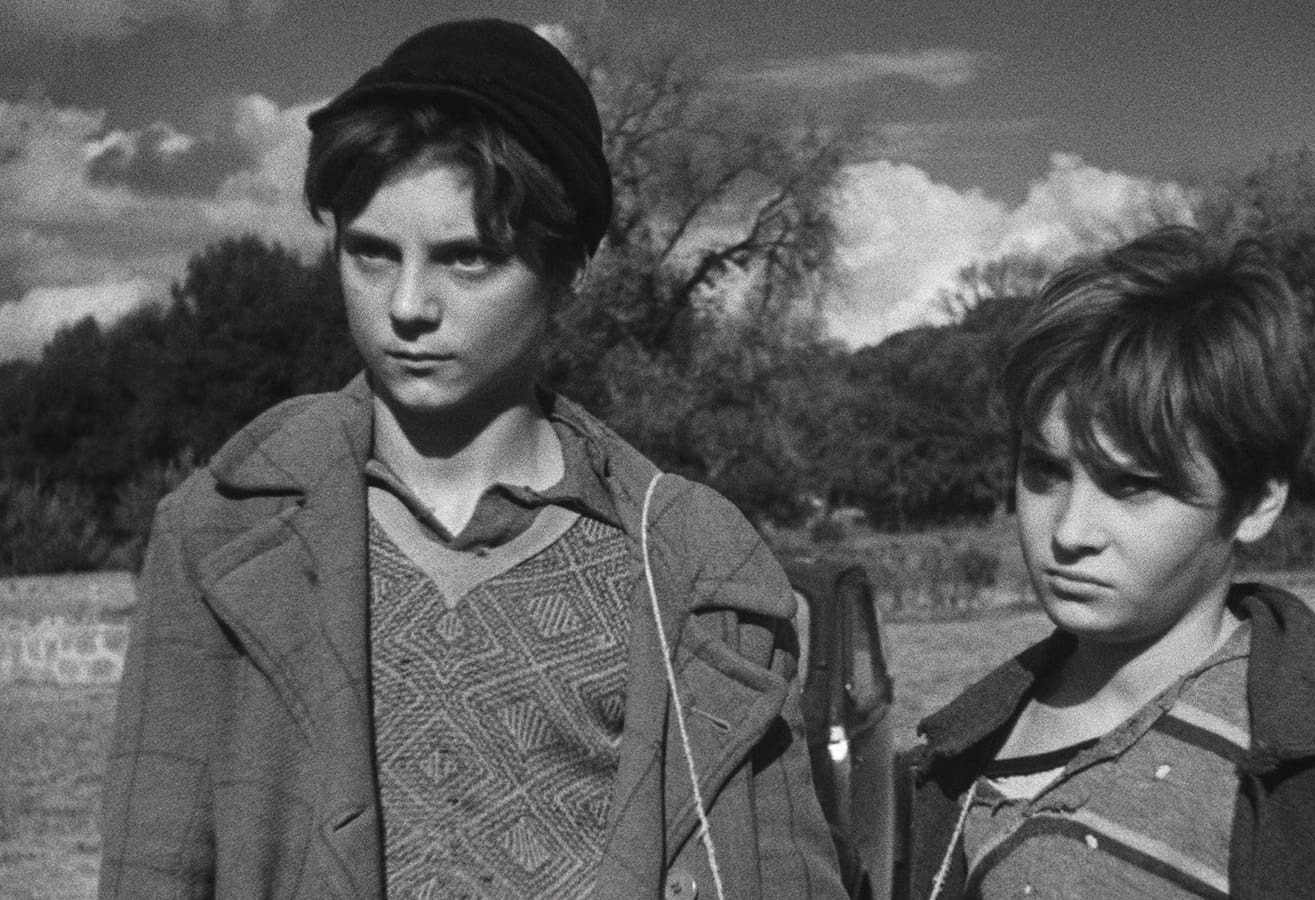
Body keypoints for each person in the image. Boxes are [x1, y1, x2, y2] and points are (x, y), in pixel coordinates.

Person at [98, 19, 845, 900]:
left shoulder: (691, 562)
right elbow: (152, 869)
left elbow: (786, 877)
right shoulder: (221, 531)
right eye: (371, 254)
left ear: (566, 267)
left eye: (467, 259)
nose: (408, 306)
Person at [898, 226, 1315, 899]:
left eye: (1132, 485)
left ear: (1255, 501)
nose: (1071, 531)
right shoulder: (966, 742)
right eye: (1045, 471)